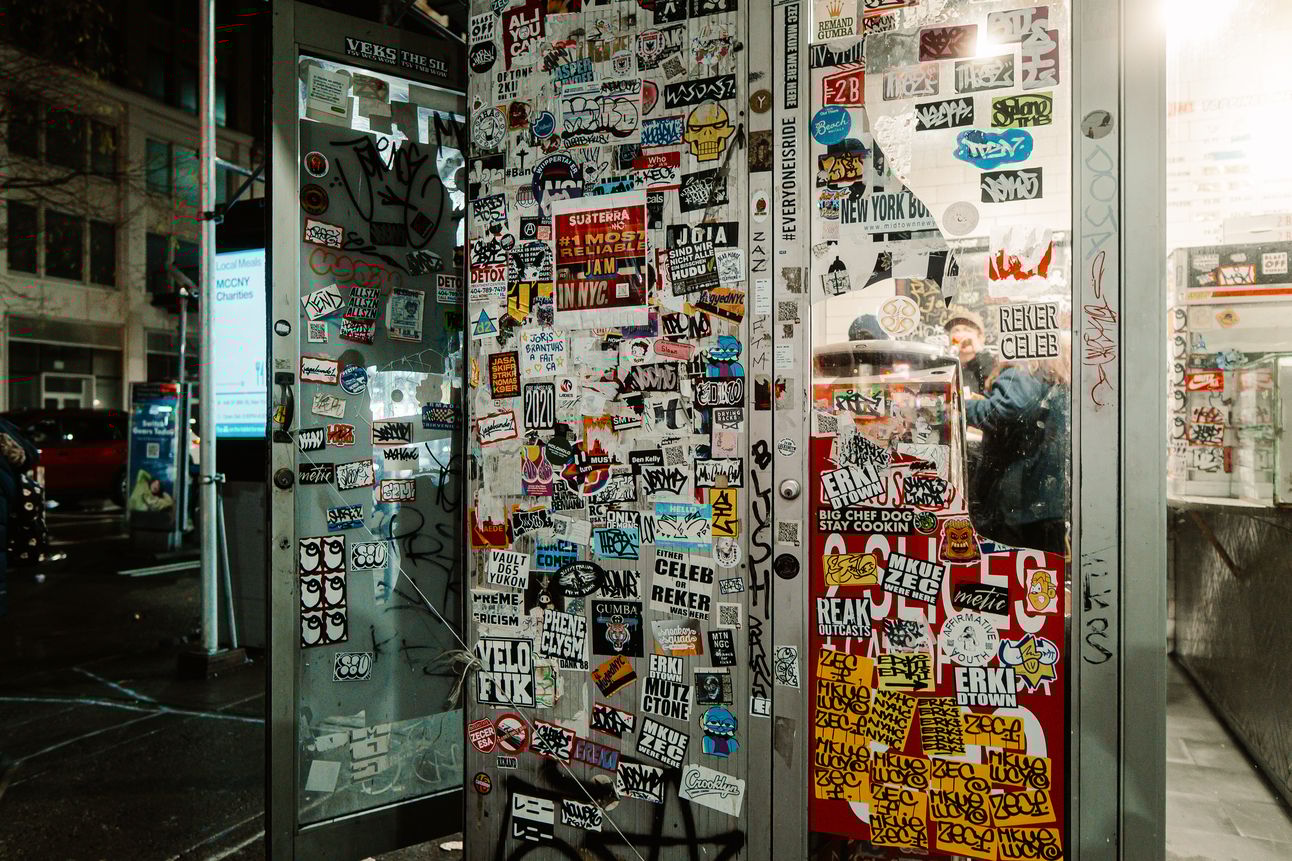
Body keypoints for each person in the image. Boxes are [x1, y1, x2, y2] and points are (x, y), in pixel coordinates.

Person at [965, 340, 1069, 555]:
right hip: (1046, 496)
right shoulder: (1056, 375)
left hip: (1018, 490)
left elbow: (1008, 408)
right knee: (1044, 561)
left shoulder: (1024, 371)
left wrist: (961, 406)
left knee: (1009, 560)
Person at [945, 308, 997, 396]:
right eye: (956, 330)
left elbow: (991, 385)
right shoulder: (945, 364)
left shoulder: (990, 364)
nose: (961, 335)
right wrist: (953, 351)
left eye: (967, 330)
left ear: (981, 338)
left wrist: (978, 349)